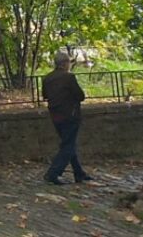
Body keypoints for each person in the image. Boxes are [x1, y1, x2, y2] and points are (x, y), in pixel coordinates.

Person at [42, 50, 93, 185]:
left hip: (55, 115)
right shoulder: (69, 78)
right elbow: (80, 96)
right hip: (70, 114)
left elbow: (45, 95)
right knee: (68, 146)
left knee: (68, 143)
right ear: (65, 64)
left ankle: (79, 173)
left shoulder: (47, 78)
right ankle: (53, 173)